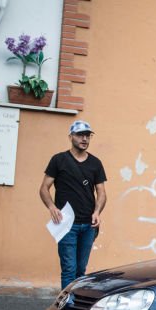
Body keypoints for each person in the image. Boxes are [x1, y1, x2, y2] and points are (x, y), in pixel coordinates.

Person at [40, 121, 107, 290]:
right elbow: (43, 188)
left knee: (80, 270)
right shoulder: (58, 160)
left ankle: (76, 305)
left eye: (87, 135)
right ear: (71, 137)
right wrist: (52, 207)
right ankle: (66, 307)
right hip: (67, 223)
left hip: (89, 225)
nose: (84, 139)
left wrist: (97, 211)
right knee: (69, 269)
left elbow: (102, 192)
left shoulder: (95, 163)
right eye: (80, 135)